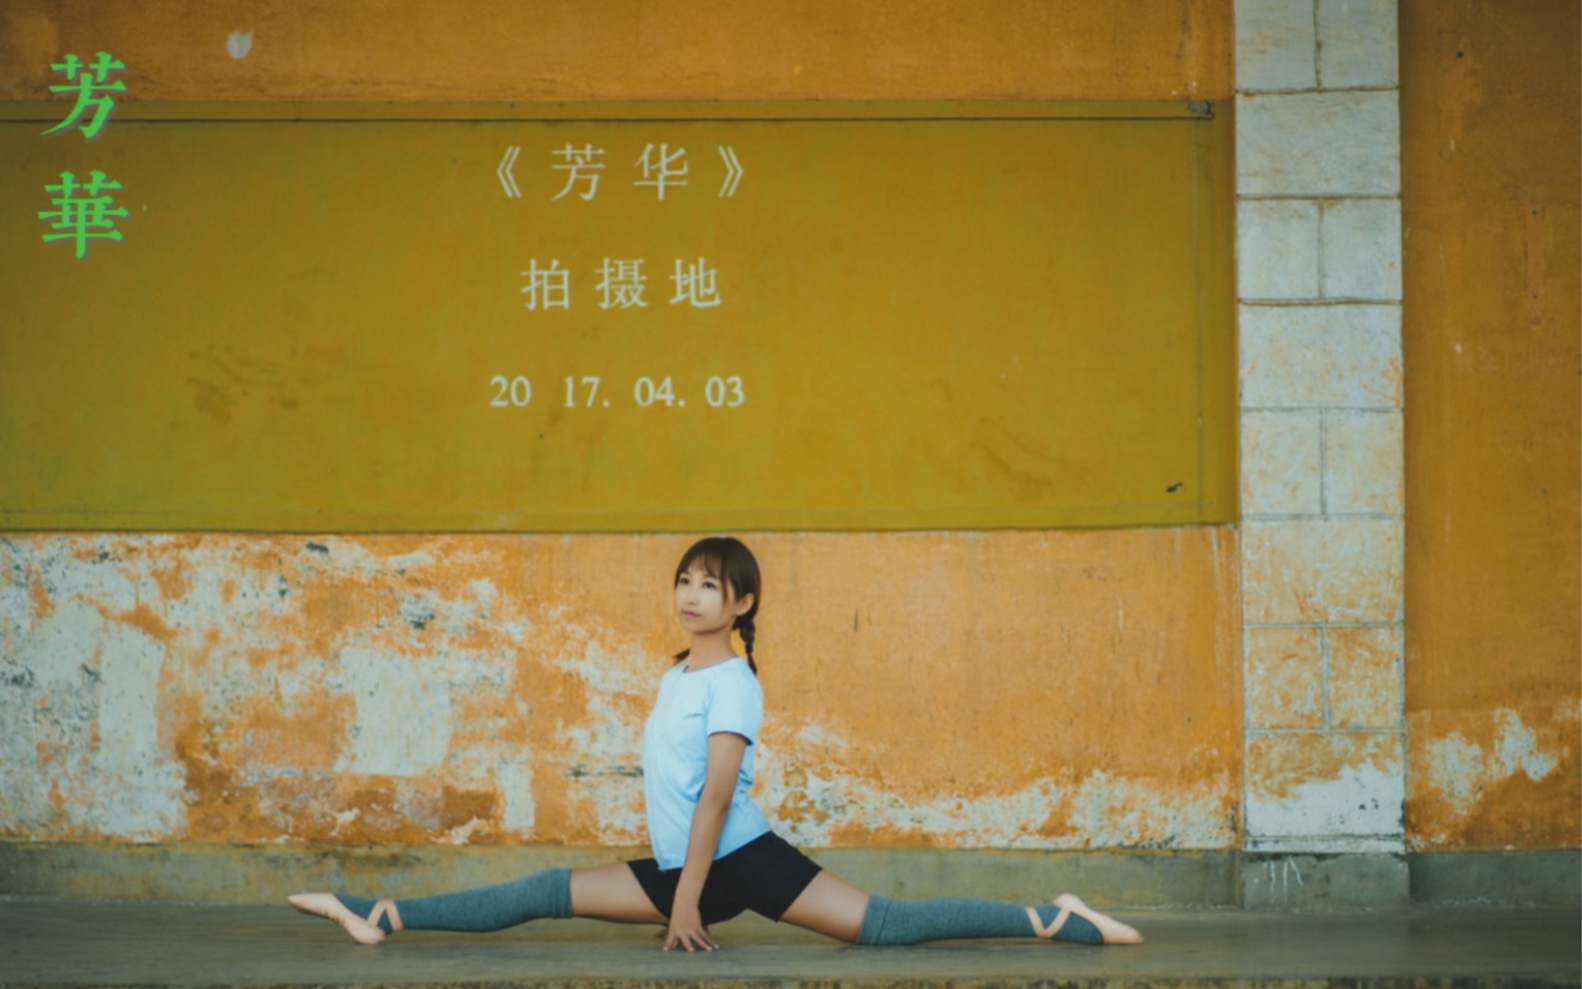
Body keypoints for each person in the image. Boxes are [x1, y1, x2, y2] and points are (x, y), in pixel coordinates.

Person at [289, 536, 1142, 950]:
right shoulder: (677, 677)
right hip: (685, 864)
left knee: (881, 925)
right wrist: (680, 889)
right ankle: (379, 912)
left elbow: (717, 797)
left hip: (738, 858)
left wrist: (688, 900)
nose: (693, 594)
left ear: (742, 604)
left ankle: (1049, 916)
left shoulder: (734, 682)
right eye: (687, 579)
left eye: (713, 585)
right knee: (550, 889)